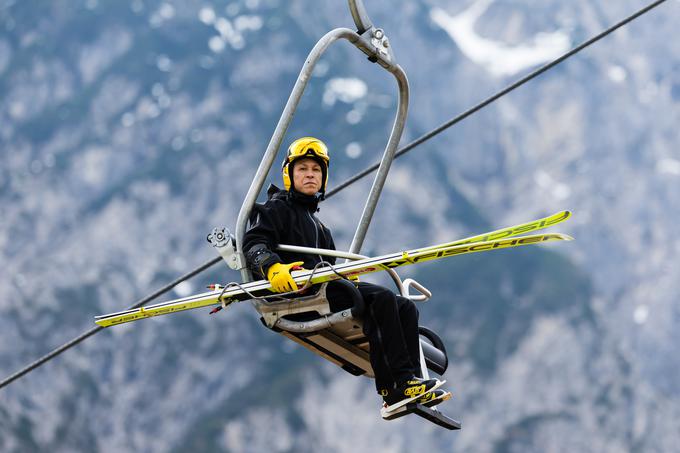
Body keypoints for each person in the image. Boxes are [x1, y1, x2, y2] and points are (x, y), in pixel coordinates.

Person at [243, 136, 448, 410]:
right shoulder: (277, 209)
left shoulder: (320, 228)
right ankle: (397, 385)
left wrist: (349, 276)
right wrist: (272, 267)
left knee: (404, 307)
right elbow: (254, 243)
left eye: (316, 170)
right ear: (289, 174)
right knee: (383, 298)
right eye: (303, 169)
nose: (310, 175)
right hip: (300, 295)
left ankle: (409, 383)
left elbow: (334, 268)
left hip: (324, 289)